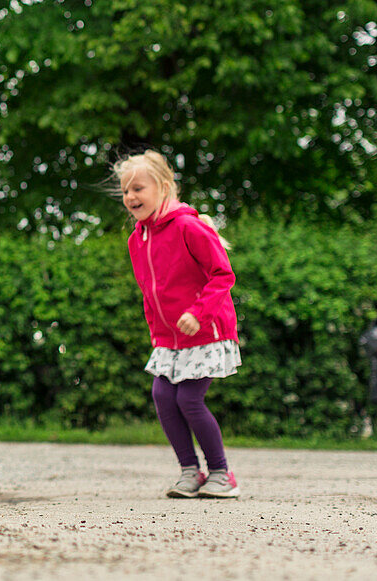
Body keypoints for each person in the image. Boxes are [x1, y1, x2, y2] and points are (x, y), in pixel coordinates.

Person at [114, 150, 241, 499]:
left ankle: (221, 473)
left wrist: (198, 313)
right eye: (125, 191)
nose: (130, 197)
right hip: (169, 338)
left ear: (164, 187)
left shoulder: (189, 226)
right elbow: (148, 292)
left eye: (138, 188)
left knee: (189, 398)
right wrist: (158, 333)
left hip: (206, 329)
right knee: (162, 395)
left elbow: (223, 275)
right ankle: (190, 471)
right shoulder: (136, 239)